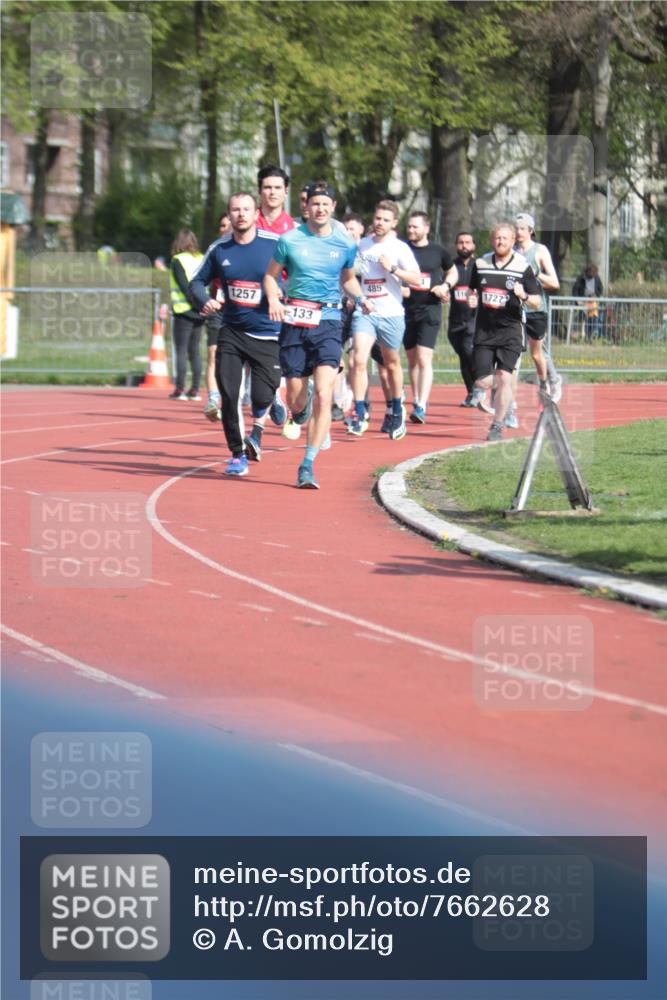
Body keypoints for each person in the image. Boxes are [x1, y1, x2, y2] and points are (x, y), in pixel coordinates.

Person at [264, 181, 369, 489]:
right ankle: (302, 404)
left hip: (330, 320)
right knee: (296, 401)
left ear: (333, 207)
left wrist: (361, 297)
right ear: (306, 207)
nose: (320, 209)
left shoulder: (345, 242)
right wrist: (273, 299)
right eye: (315, 204)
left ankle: (307, 464)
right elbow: (270, 277)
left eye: (325, 204)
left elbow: (348, 279)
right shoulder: (289, 240)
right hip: (296, 320)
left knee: (326, 392)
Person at [188, 193, 282, 477]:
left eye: (246, 209)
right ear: (229, 215)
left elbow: (299, 274)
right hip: (232, 331)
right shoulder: (220, 248)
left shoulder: (275, 244)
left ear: (256, 214)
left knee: (260, 397)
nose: (241, 214)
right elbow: (196, 282)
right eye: (235, 210)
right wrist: (204, 300)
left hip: (267, 332)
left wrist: (283, 297)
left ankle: (267, 409)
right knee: (229, 394)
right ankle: (238, 454)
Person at [347, 200, 421, 440]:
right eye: (377, 218)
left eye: (385, 220)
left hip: (391, 313)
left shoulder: (400, 248)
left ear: (394, 223)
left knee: (391, 363)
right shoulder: (363, 245)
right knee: (358, 359)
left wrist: (393, 269)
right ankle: (360, 411)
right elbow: (349, 275)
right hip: (366, 311)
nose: (380, 223)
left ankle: (397, 408)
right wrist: (356, 296)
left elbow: (417, 279)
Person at [467, 223, 542, 441]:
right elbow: (472, 290)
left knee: (504, 376)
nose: (500, 241)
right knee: (482, 381)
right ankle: (504, 389)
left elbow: (537, 301)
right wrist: (472, 299)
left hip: (511, 330)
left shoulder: (522, 266)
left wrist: (523, 295)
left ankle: (497, 425)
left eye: (505, 238)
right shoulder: (480, 264)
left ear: (512, 241)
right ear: (492, 240)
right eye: (497, 238)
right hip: (485, 330)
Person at [254, 164, 296, 427]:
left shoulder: (293, 229)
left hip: (281, 299)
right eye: (267, 187)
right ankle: (272, 397)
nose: (272, 192)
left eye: (277, 188)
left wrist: (283, 288)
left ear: (286, 191)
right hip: (249, 298)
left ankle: (278, 395)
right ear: (259, 190)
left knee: (279, 354)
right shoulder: (248, 220)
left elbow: (299, 269)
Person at [403, 211, 452, 423]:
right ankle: (417, 398)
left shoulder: (438, 251)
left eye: (415, 226)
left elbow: (453, 271)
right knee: (412, 359)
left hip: (430, 309)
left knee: (424, 358)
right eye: (409, 226)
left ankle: (421, 405)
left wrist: (445, 286)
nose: (411, 230)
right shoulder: (402, 249)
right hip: (406, 310)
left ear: (426, 228)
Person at [514, 212, 562, 403]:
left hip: (535, 308)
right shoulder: (511, 251)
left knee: (538, 354)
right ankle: (506, 396)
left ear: (531, 231)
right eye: (516, 228)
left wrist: (536, 274)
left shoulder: (539, 251)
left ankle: (553, 381)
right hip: (516, 309)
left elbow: (555, 282)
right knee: (513, 351)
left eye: (522, 229)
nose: (518, 232)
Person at [442, 232, 477, 406]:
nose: (464, 246)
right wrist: (443, 294)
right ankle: (471, 393)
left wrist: (478, 299)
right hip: (455, 322)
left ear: (473, 246)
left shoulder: (479, 266)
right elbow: (442, 286)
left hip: (474, 320)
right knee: (464, 357)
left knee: (468, 351)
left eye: (468, 242)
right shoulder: (451, 267)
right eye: (461, 242)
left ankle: (478, 390)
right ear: (456, 245)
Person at [169, 229, 205, 401]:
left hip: (184, 310)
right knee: (195, 351)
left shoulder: (178, 260)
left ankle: (180, 389)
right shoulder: (201, 258)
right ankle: (195, 390)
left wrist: (194, 304)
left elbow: (185, 287)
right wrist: (203, 305)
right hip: (202, 310)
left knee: (181, 350)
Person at [203, 212, 231, 422]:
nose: (225, 228)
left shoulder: (250, 246)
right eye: (222, 225)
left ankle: (252, 395)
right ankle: (213, 399)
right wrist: (203, 300)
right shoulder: (215, 249)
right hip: (218, 309)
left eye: (228, 224)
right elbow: (199, 279)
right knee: (213, 354)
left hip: (242, 311)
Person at [572, 263, 604, 341]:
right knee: (582, 317)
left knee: (595, 316)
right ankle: (582, 334)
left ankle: (593, 334)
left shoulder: (596, 278)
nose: (593, 275)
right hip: (583, 300)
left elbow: (600, 288)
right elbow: (575, 289)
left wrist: (597, 297)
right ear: (588, 271)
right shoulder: (581, 278)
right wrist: (577, 300)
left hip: (593, 300)